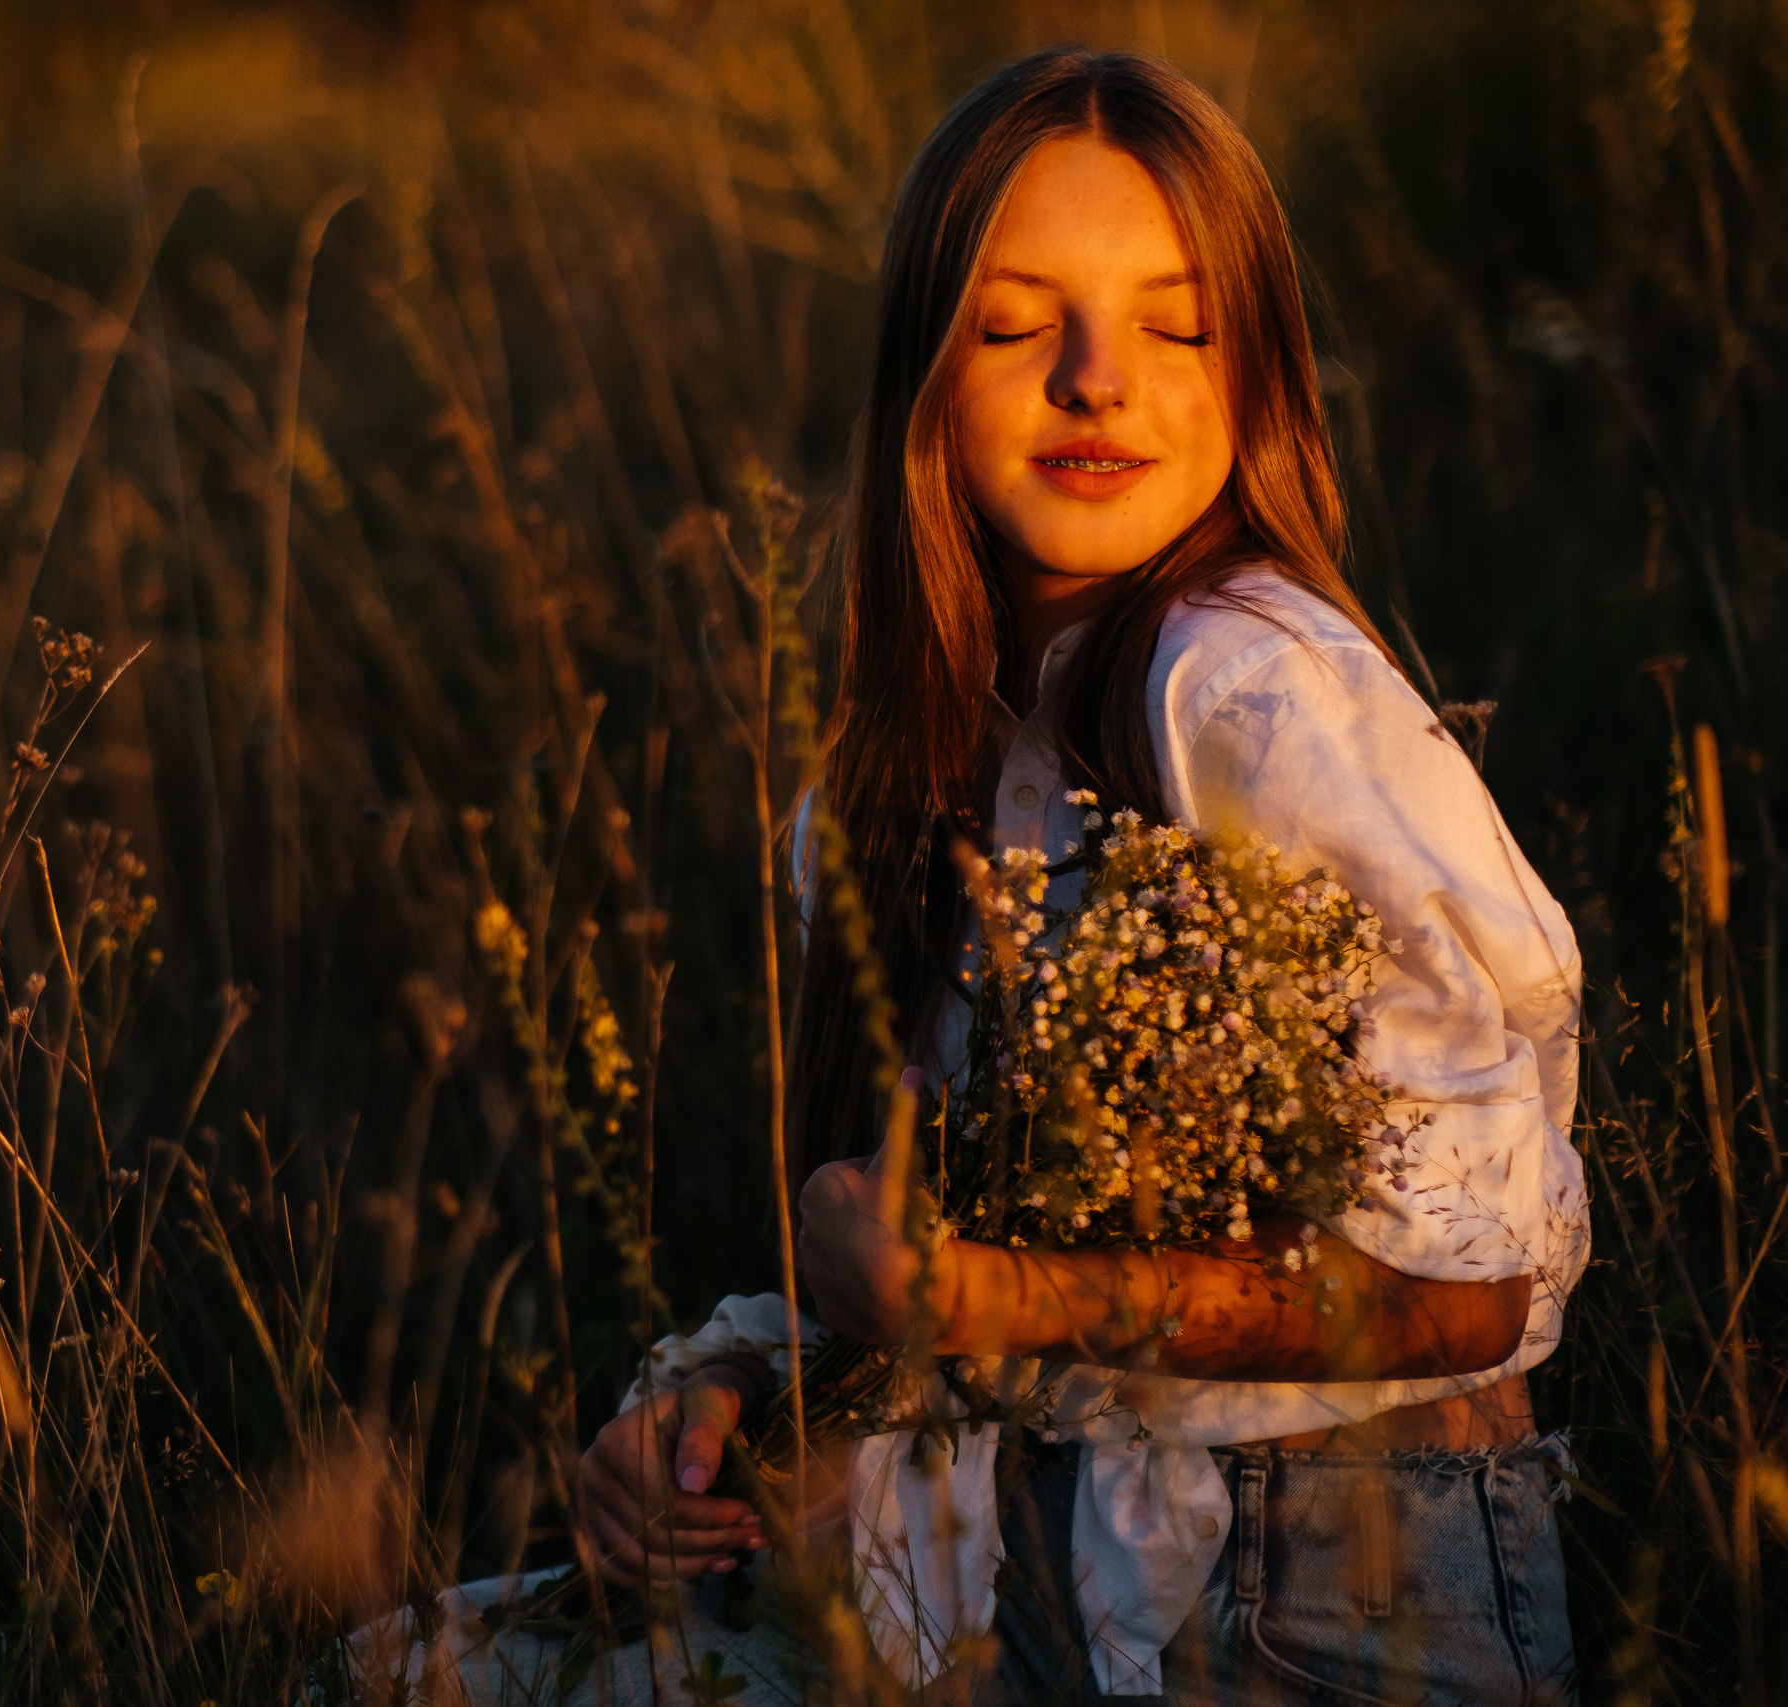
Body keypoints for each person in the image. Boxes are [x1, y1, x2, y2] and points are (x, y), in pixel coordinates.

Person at [570, 44, 1587, 1707]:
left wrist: (995, 1297)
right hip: (1037, 1546)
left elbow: (1465, 1290)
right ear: (923, 369)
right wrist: (721, 1392)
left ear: (1258, 373)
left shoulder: (1243, 691)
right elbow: (929, 1254)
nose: (1099, 378)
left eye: (1177, 324)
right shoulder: (899, 773)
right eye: (1015, 319)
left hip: (1335, 1564)